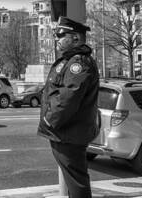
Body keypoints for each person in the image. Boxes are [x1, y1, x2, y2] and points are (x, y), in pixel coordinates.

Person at [37, 16, 100, 198]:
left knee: (76, 182)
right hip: (64, 133)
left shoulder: (79, 63)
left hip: (68, 134)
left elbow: (68, 98)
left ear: (75, 38)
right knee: (74, 180)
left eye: (61, 34)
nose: (57, 38)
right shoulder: (69, 60)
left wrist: (50, 120)